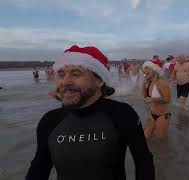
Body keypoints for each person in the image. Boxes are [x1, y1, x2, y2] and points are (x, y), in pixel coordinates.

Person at [26, 45, 155, 180]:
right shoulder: (50, 120)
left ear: (99, 80)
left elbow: (143, 161)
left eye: (76, 74)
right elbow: (39, 168)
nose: (65, 81)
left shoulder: (122, 114)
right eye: (61, 74)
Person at [141, 60, 171, 142]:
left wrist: (153, 99)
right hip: (152, 114)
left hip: (163, 115)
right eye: (144, 69)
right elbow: (144, 96)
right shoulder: (149, 82)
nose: (145, 71)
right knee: (146, 137)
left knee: (160, 139)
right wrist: (144, 83)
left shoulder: (161, 82)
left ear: (154, 70)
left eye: (147, 69)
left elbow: (167, 99)